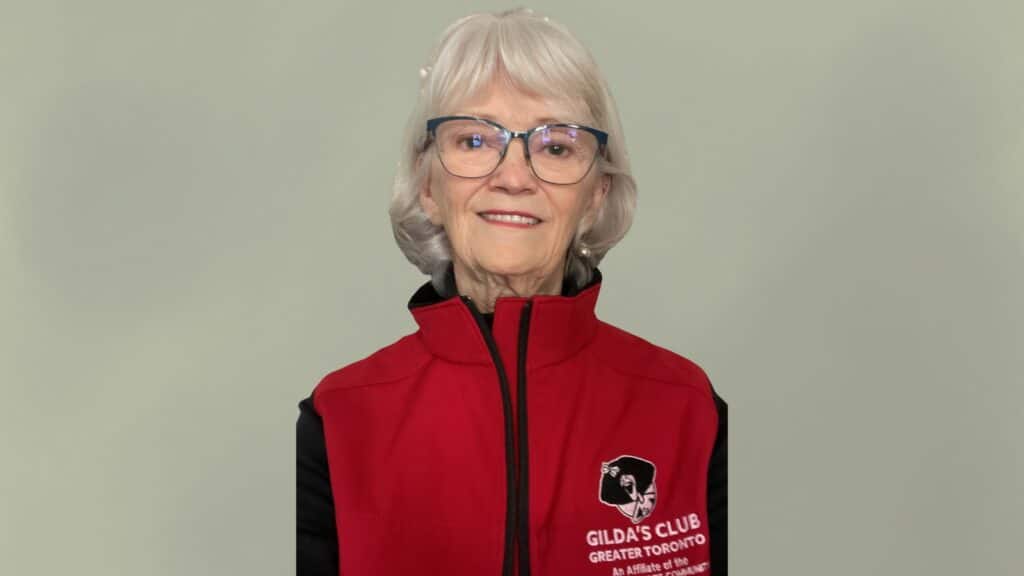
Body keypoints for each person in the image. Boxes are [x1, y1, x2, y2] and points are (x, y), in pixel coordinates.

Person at [297, 8, 727, 575]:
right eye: (475, 139)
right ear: (428, 186)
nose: (515, 177)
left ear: (596, 195)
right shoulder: (337, 422)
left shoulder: (689, 410)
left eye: (556, 147)